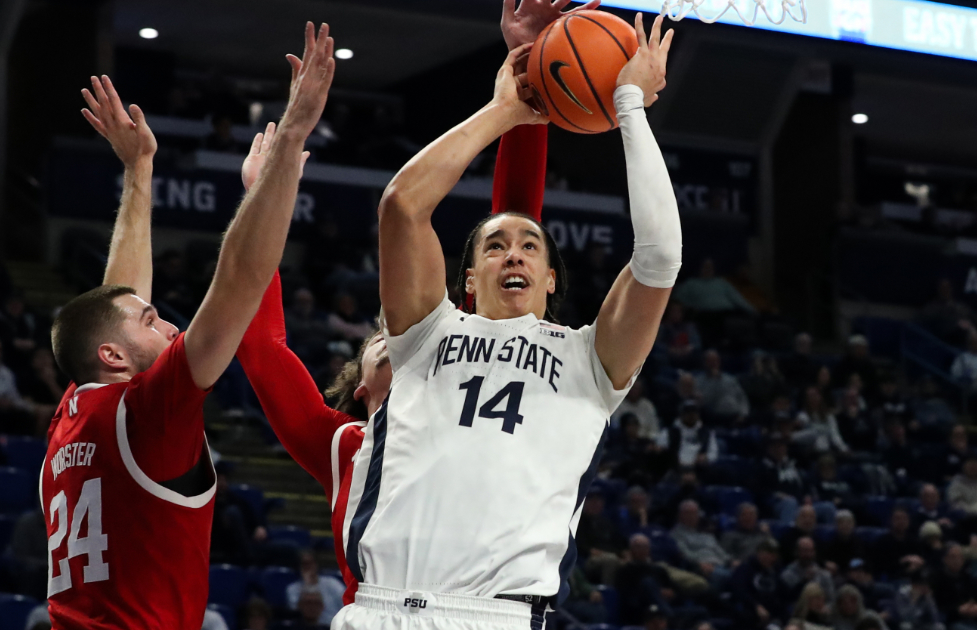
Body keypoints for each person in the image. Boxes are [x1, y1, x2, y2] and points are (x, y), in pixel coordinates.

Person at [330, 13, 678, 630]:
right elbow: (403, 206)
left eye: (530, 245)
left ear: (549, 279)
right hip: (379, 610)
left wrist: (629, 105)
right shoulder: (424, 334)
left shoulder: (590, 361)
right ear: (466, 280)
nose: (512, 252)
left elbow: (658, 258)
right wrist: (503, 111)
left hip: (500, 615)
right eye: (493, 245)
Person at [232, 8, 556, 604]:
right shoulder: (341, 446)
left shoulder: (466, 377)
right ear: (363, 389)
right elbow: (259, 345)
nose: (399, 338)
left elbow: (513, 223)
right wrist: (264, 197)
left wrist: (529, 64)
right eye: (383, 342)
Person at [41, 33, 335, 629]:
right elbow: (241, 280)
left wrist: (139, 170)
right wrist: (292, 140)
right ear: (115, 356)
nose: (168, 321)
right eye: (153, 320)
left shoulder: (75, 410)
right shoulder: (148, 414)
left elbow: (116, 305)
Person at [671, 500, 733, 588]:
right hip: (701, 567)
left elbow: (720, 552)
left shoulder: (706, 534)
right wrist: (699, 564)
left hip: (721, 564)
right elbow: (684, 554)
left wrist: (731, 561)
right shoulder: (676, 534)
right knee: (728, 576)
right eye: (688, 513)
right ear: (680, 515)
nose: (692, 516)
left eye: (695, 513)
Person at [730, 540, 785, 629]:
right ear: (758, 553)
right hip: (751, 609)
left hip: (773, 611)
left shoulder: (776, 570)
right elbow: (739, 590)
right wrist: (756, 606)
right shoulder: (745, 568)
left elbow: (783, 592)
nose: (769, 557)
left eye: (773, 555)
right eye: (766, 553)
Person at [931, 543, 977, 630]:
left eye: (960, 557)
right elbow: (937, 606)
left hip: (972, 618)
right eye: (953, 557)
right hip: (950, 621)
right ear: (945, 559)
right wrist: (958, 610)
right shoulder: (937, 579)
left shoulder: (968, 577)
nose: (957, 560)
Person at [286, 550, 345, 625]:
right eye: (304, 564)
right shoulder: (292, 589)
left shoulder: (333, 584)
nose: (307, 567)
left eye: (310, 563)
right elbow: (296, 613)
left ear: (316, 564)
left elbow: (345, 606)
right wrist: (307, 585)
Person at [657, 400, 718, 471]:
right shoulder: (669, 432)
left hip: (699, 469)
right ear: (681, 414)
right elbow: (661, 451)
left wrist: (706, 457)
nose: (691, 415)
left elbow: (713, 453)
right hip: (675, 468)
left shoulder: (707, 433)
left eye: (694, 412)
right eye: (688, 412)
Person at [694, 349, 749, 422]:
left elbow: (742, 398)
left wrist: (744, 414)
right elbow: (705, 401)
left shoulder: (730, 379)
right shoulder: (699, 381)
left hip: (736, 415)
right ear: (704, 363)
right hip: (716, 417)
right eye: (710, 361)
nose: (714, 364)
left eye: (716, 361)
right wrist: (715, 380)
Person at [795, 387, 849, 457]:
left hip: (827, 451)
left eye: (815, 395)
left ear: (820, 397)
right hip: (810, 453)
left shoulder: (829, 416)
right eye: (810, 396)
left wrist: (843, 449)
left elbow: (835, 434)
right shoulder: (802, 416)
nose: (813, 398)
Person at [781, 537, 835, 605]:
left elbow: (831, 601)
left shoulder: (824, 575)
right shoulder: (787, 575)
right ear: (797, 552)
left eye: (810, 551)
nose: (808, 554)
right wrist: (804, 580)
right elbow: (787, 600)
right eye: (804, 551)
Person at [873, 507, 924, 579]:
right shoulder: (882, 541)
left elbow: (921, 558)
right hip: (891, 578)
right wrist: (903, 560)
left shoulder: (915, 540)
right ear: (891, 521)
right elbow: (880, 565)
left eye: (904, 518)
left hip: (914, 577)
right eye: (897, 518)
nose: (901, 521)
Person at [820, 511, 865, 575]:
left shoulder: (859, 542)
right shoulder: (829, 541)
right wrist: (826, 563)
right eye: (841, 522)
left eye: (848, 522)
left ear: (853, 524)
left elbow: (861, 561)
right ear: (836, 525)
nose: (845, 525)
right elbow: (823, 559)